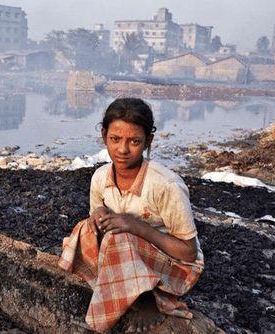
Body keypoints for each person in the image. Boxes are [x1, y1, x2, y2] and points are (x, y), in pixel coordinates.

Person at [58, 98, 204, 333]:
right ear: (104, 135)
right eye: (115, 139)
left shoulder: (166, 185)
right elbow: (96, 213)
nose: (123, 150)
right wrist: (99, 214)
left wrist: (137, 226)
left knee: (120, 237)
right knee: (86, 228)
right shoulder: (100, 177)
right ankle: (121, 286)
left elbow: (188, 253)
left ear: (148, 141)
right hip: (129, 254)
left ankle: (148, 299)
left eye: (134, 141)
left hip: (176, 264)